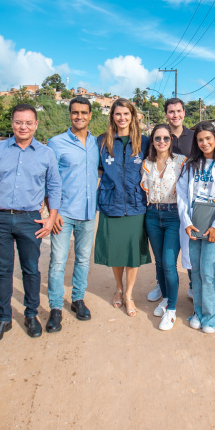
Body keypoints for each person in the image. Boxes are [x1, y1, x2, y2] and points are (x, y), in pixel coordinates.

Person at [0, 104, 61, 344]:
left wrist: (51, 217)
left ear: (35, 124)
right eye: (18, 122)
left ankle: (31, 314)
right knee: (2, 271)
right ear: (11, 123)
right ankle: (4, 318)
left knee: (31, 270)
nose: (23, 127)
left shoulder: (46, 154)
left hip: (29, 219)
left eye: (28, 122)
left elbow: (54, 186)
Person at [45, 97, 100, 332]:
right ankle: (56, 308)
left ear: (90, 115)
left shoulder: (98, 143)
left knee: (83, 259)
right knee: (57, 261)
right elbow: (48, 179)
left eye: (84, 113)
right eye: (75, 112)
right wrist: (52, 212)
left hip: (88, 212)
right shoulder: (55, 143)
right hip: (63, 213)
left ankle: (78, 299)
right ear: (70, 114)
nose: (80, 116)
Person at [177, 122, 215, 334]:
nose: (204, 143)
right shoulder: (190, 164)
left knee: (208, 271)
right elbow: (182, 195)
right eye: (200, 139)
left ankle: (211, 316)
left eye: (208, 139)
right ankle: (198, 312)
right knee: (196, 271)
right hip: (195, 223)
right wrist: (187, 222)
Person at [94, 99, 151, 317]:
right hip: (111, 204)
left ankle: (128, 294)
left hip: (136, 205)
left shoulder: (144, 142)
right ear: (112, 117)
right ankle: (118, 288)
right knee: (116, 252)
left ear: (133, 116)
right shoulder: (102, 141)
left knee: (132, 253)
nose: (122, 118)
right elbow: (98, 170)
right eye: (118, 114)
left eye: (126, 114)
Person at [147, 98, 195, 303]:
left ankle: (194, 285)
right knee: (164, 257)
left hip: (191, 202)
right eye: (171, 112)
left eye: (178, 111)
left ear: (184, 112)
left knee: (191, 249)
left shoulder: (194, 136)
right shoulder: (161, 135)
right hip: (163, 206)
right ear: (166, 114)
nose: (175, 115)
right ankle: (162, 284)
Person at [140, 123, 186, 330]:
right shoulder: (146, 163)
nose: (161, 142)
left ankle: (172, 310)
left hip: (173, 215)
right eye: (157, 138)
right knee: (159, 261)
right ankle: (166, 298)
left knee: (169, 262)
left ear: (171, 140)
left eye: (166, 138)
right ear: (152, 141)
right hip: (152, 214)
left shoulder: (181, 162)